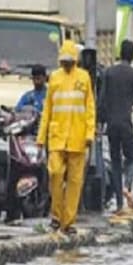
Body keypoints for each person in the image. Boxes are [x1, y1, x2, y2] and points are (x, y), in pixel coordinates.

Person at [38, 39, 96, 234]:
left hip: (78, 138)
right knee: (54, 173)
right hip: (57, 136)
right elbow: (47, 109)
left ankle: (68, 221)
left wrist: (89, 134)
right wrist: (41, 137)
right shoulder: (54, 78)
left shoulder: (84, 78)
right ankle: (56, 215)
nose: (67, 64)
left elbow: (90, 109)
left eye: (70, 61)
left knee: (74, 182)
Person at [99, 39, 133, 213]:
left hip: (111, 123)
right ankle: (127, 186)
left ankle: (119, 202)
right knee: (131, 159)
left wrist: (100, 122)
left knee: (115, 161)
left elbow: (102, 99)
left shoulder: (109, 72)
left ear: (120, 53)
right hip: (126, 123)